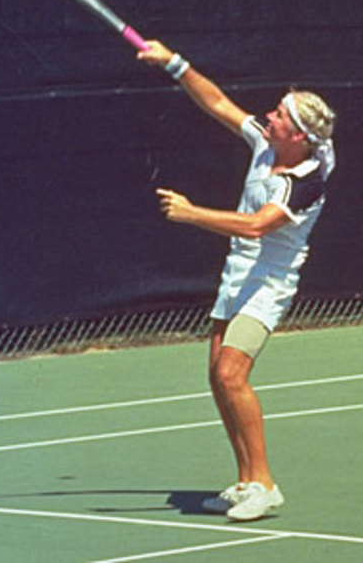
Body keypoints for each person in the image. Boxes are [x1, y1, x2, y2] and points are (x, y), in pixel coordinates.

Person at [138, 41, 336, 521]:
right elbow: (218, 104)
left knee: (232, 374)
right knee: (217, 377)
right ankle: (247, 481)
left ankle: (265, 484)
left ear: (300, 136)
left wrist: (189, 214)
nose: (270, 116)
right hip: (237, 273)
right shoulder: (269, 141)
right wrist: (175, 63)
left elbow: (256, 226)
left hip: (269, 282)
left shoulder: (306, 179)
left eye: (280, 116)